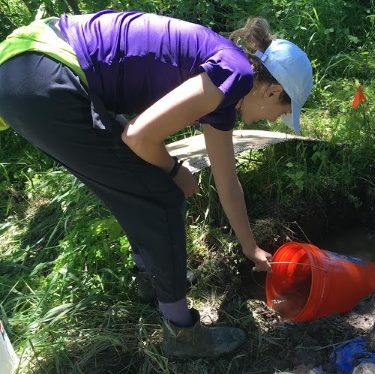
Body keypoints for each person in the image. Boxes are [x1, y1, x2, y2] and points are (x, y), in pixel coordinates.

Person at [0, 10, 313, 358]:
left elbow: (227, 181)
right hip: (47, 75)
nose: (279, 120)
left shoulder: (225, 86)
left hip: (30, 64)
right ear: (272, 91)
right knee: (162, 196)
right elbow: (138, 136)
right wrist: (174, 170)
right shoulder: (234, 74)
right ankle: (182, 334)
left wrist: (249, 247)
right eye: (285, 111)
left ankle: (152, 279)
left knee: (137, 183)